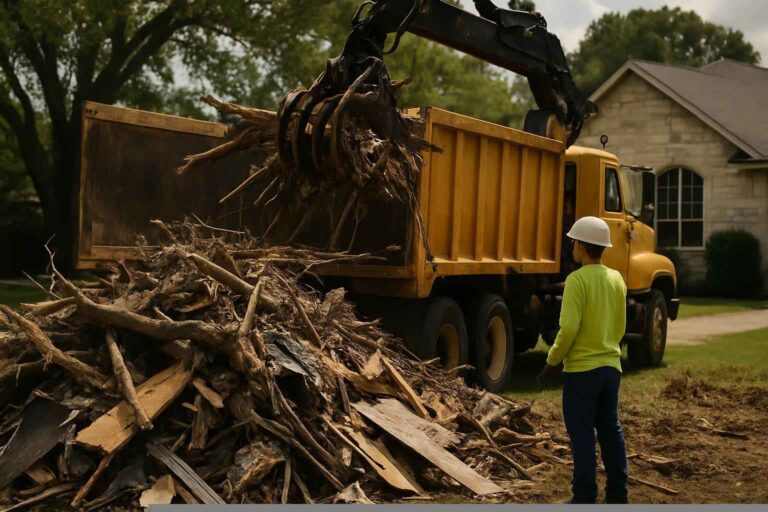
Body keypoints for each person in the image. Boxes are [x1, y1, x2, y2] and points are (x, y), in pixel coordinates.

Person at [541, 216, 629, 504]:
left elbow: (569, 328)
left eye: (573, 243)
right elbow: (620, 326)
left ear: (579, 245)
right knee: (610, 430)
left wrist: (553, 361)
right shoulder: (616, 278)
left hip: (581, 371)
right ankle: (618, 494)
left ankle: (584, 497)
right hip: (611, 368)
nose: (572, 247)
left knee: (582, 436)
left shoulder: (576, 280)